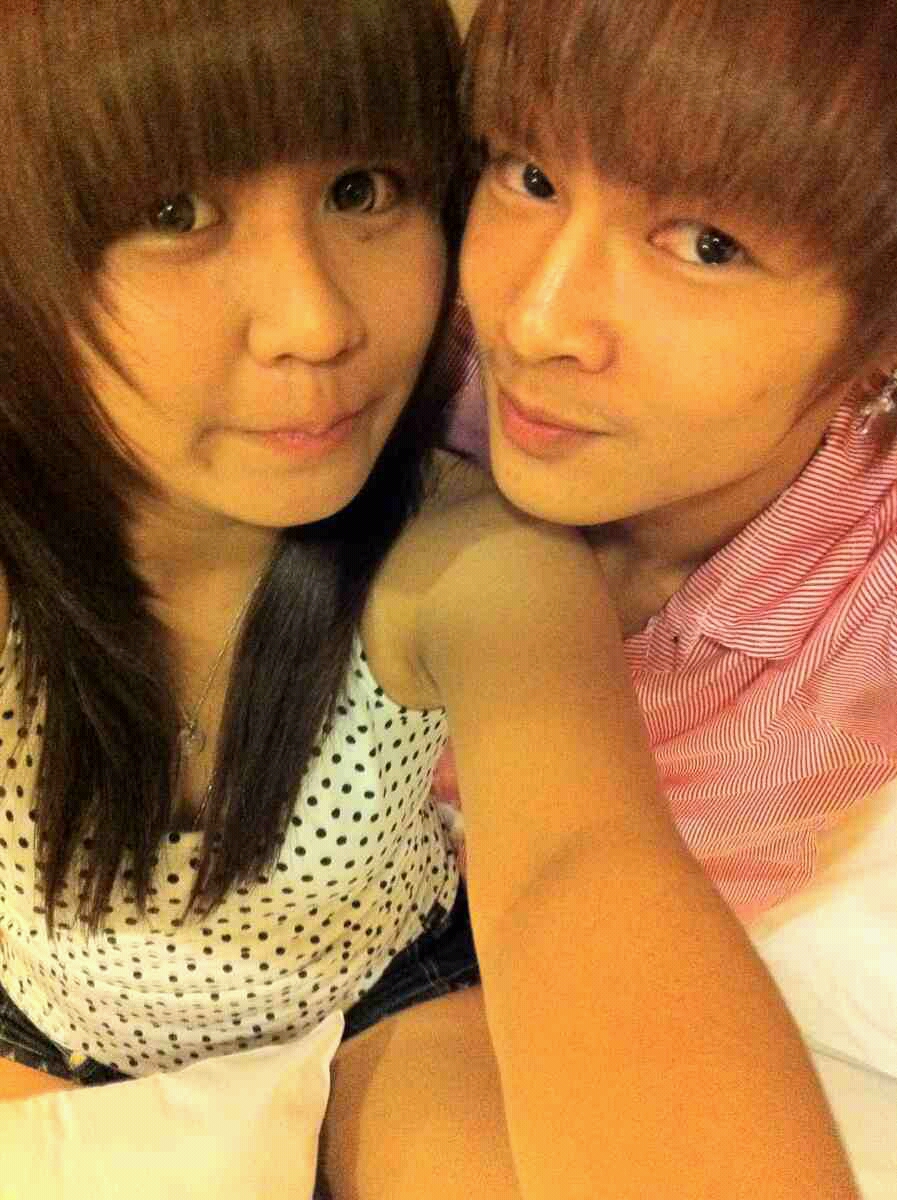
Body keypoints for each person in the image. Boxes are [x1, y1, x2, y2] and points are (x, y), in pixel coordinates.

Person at [0, 1, 858, 1198]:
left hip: (380, 995)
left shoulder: (480, 553)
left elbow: (582, 867)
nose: (318, 322)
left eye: (362, 190)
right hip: (36, 1015)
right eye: (175, 215)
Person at [438, 0, 897, 925]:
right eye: (531, 176)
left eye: (705, 247)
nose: (533, 323)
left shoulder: (867, 601)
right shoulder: (399, 376)